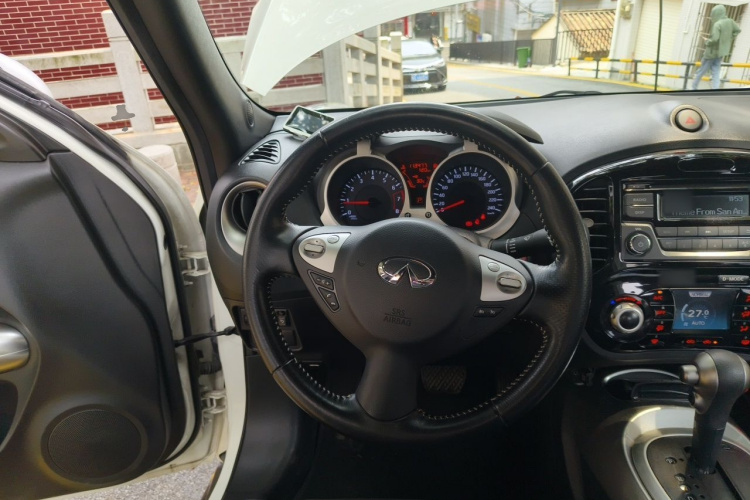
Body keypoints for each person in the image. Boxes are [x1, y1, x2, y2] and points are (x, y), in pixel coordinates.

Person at [692, 5, 741, 90]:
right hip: (720, 52)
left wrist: (707, 41)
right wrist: (728, 39)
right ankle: (715, 89)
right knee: (716, 72)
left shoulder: (717, 24)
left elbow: (714, 39)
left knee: (701, 71)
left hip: (711, 53)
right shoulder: (730, 21)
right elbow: (738, 30)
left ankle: (693, 88)